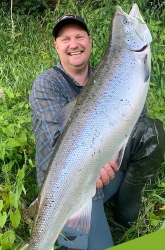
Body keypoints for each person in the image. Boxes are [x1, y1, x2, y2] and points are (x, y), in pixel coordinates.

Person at [29, 14, 165, 250]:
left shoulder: (111, 72)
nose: (74, 44)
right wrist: (95, 167)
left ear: (90, 41)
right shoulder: (46, 84)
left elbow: (135, 120)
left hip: (107, 170)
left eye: (80, 36)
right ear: (56, 46)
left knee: (151, 131)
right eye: (65, 39)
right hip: (68, 188)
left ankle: (125, 214)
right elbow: (56, 145)